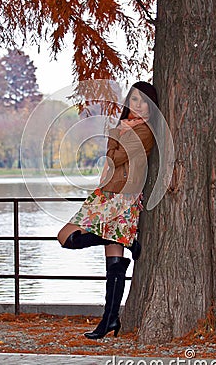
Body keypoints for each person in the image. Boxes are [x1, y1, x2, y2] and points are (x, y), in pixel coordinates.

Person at [57, 81, 158, 339]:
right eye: (134, 100)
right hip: (105, 194)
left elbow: (115, 157)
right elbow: (111, 156)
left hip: (123, 195)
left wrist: (116, 139)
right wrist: (116, 138)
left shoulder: (147, 131)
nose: (137, 105)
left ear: (151, 107)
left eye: (143, 101)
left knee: (114, 264)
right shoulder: (119, 128)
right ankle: (127, 240)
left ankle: (109, 319)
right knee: (66, 237)